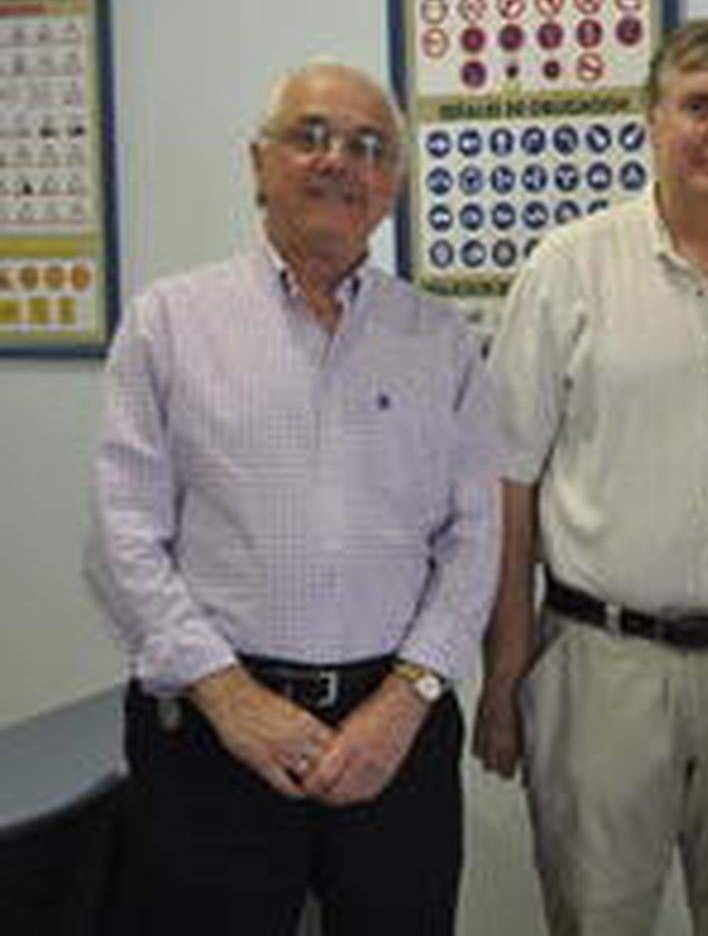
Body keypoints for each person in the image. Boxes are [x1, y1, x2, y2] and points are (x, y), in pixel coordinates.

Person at [87, 60, 500, 935]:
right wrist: (227, 695)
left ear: (392, 185)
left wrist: (407, 700)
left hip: (397, 729)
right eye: (311, 136)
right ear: (258, 163)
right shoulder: (169, 324)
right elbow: (122, 538)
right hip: (207, 733)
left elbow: (474, 542)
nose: (339, 160)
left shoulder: (442, 340)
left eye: (369, 147)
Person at [474, 17, 708, 935]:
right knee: (597, 916)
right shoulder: (568, 269)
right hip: (603, 669)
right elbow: (506, 483)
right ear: (653, 117)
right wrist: (505, 669)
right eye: (700, 106)